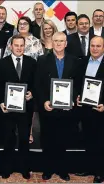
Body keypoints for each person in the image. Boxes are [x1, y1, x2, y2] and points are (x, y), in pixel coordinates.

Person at [35, 32, 82, 181]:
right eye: (56, 41)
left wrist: (74, 98)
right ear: (52, 42)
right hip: (49, 107)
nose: (59, 43)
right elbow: (38, 84)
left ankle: (63, 169)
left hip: (67, 108)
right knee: (48, 139)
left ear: (66, 43)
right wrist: (44, 101)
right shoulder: (42, 60)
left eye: (62, 41)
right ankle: (48, 169)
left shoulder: (75, 61)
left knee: (63, 139)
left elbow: (77, 83)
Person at [76, 36, 104, 183]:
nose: (94, 48)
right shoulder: (82, 62)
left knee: (101, 142)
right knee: (87, 139)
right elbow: (77, 83)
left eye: (98, 46)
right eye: (92, 46)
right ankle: (89, 167)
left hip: (102, 110)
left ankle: (101, 171)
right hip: (85, 109)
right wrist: (77, 97)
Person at [0, 35, 36, 179]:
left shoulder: (32, 63)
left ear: (24, 46)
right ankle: (7, 168)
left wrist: (32, 93)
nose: (19, 48)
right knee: (8, 138)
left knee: (24, 139)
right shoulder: (1, 64)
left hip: (26, 108)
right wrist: (1, 102)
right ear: (10, 46)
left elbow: (36, 84)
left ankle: (25, 168)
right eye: (16, 45)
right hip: (8, 109)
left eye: (21, 45)